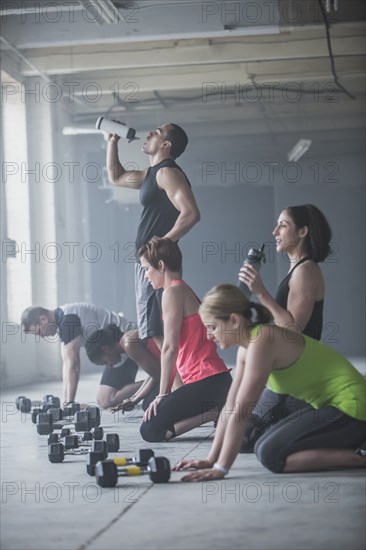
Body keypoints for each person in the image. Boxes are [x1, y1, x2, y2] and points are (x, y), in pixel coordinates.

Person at [174, 284, 366, 480]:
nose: (208, 335)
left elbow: (243, 410)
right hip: (333, 408)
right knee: (262, 447)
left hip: (354, 407)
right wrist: (211, 459)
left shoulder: (263, 340)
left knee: (270, 454)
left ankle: (360, 457)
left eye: (212, 327)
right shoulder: (247, 348)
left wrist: (221, 469)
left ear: (233, 320)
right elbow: (230, 406)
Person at [238, 204, 333, 451]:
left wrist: (261, 292)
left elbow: (293, 332)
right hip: (286, 371)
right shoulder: (296, 268)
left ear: (303, 232)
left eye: (283, 225)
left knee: (243, 438)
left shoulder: (306, 271)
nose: (274, 231)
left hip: (299, 374)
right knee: (234, 425)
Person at [106, 122, 201, 349]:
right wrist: (112, 142)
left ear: (166, 144)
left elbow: (191, 214)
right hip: (149, 261)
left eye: (156, 133)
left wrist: (159, 246)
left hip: (157, 262)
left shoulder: (168, 173)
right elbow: (117, 177)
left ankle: (175, 383)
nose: (148, 133)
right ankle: (169, 381)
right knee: (156, 328)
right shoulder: (151, 173)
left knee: (157, 329)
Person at [138, 237, 232, 442]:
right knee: (148, 406)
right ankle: (214, 409)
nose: (145, 276)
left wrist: (163, 394)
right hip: (215, 381)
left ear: (161, 265)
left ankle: (214, 412)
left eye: (146, 269)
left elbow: (170, 347)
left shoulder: (172, 292)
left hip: (208, 381)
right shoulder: (182, 288)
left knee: (150, 430)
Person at [20, 303, 154, 408]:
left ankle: (156, 381)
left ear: (43, 319)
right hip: (111, 351)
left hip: (125, 345)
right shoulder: (63, 318)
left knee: (108, 399)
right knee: (103, 399)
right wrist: (66, 402)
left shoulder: (68, 320)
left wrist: (70, 404)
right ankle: (155, 380)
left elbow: (74, 364)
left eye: (38, 332)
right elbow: (67, 365)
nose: (41, 336)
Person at [85, 323, 161, 412]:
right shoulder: (126, 342)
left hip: (175, 369)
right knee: (147, 403)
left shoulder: (129, 344)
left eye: (104, 362)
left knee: (148, 405)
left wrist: (134, 400)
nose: (109, 366)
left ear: (105, 349)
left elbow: (158, 375)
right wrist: (133, 398)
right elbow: (155, 373)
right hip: (168, 369)